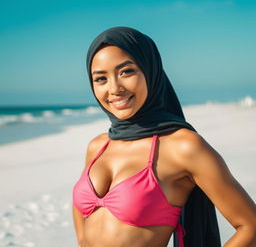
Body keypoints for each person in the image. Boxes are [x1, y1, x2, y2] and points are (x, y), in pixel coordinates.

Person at [72, 26, 256, 247]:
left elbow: (250, 226)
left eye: (126, 72)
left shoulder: (183, 147)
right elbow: (83, 236)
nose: (115, 88)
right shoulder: (98, 146)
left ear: (151, 72)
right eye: (101, 79)